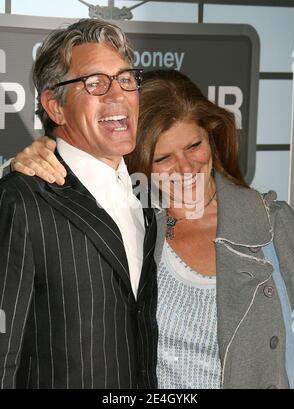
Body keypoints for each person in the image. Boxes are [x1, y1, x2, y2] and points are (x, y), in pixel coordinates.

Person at [3, 69, 294, 389]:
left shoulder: (271, 223)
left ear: (211, 134)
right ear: (138, 161)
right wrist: (30, 163)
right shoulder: (124, 223)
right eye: (163, 158)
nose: (186, 168)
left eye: (194, 145)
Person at [0, 19, 158, 389]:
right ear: (55, 106)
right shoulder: (21, 199)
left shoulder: (151, 196)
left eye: (126, 79)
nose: (117, 94)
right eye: (95, 83)